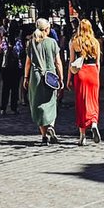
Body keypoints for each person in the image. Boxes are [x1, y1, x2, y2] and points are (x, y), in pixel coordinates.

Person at [23, 16, 65, 145]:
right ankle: (51, 125)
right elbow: (58, 62)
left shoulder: (31, 43)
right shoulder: (52, 42)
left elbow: (28, 63)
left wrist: (26, 77)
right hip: (50, 76)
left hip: (35, 77)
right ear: (47, 29)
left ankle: (44, 137)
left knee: (38, 104)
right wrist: (61, 78)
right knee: (51, 102)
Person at [70, 18, 102, 145]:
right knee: (93, 101)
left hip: (81, 73)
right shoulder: (95, 42)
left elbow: (71, 62)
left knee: (81, 103)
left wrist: (68, 79)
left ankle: (82, 136)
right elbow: (98, 63)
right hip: (93, 72)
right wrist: (96, 76)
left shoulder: (75, 42)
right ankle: (94, 122)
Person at [0, 21, 25, 114]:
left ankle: (3, 107)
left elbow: (0, 50)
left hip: (5, 66)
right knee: (15, 88)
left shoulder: (5, 39)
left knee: (5, 88)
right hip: (16, 67)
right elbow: (21, 51)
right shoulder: (18, 40)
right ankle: (14, 107)